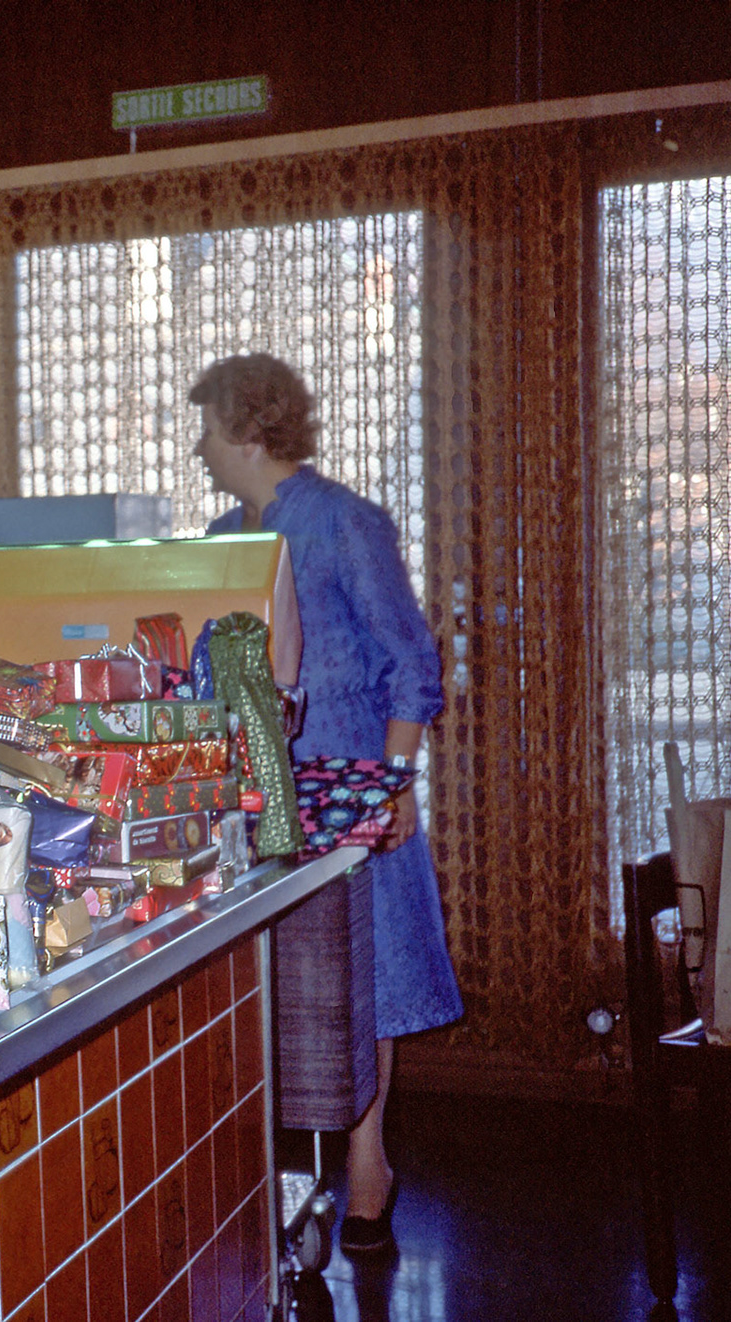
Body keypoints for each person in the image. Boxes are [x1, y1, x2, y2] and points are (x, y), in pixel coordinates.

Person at [194, 352, 464, 1256]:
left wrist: (396, 782)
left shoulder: (346, 521)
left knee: (362, 977)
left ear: (247, 431)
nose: (198, 449)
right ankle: (265, 1168)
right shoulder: (220, 535)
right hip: (254, 793)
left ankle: (366, 1164)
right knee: (272, 979)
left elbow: (409, 658)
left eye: (207, 430)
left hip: (350, 788)